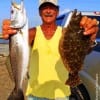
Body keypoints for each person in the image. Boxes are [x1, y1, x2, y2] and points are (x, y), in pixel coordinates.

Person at [2, 0, 99, 100]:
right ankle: (17, 89)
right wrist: (12, 35)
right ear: (39, 12)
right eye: (44, 8)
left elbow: (86, 51)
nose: (48, 11)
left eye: (52, 8)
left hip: (61, 94)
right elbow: (18, 48)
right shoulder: (31, 33)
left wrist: (90, 39)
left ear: (57, 11)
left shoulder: (66, 34)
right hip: (35, 94)